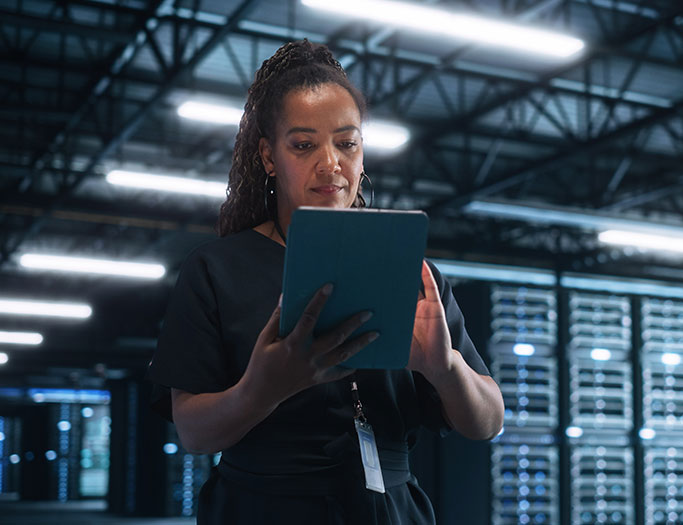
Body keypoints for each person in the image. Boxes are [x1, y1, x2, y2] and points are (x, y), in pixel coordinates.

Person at [148, 39, 504, 524]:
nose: (330, 163)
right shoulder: (216, 270)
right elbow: (192, 432)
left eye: (346, 142)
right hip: (264, 509)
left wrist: (445, 368)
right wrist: (262, 389)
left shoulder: (410, 271)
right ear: (269, 157)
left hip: (389, 509)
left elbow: (487, 421)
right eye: (303, 144)